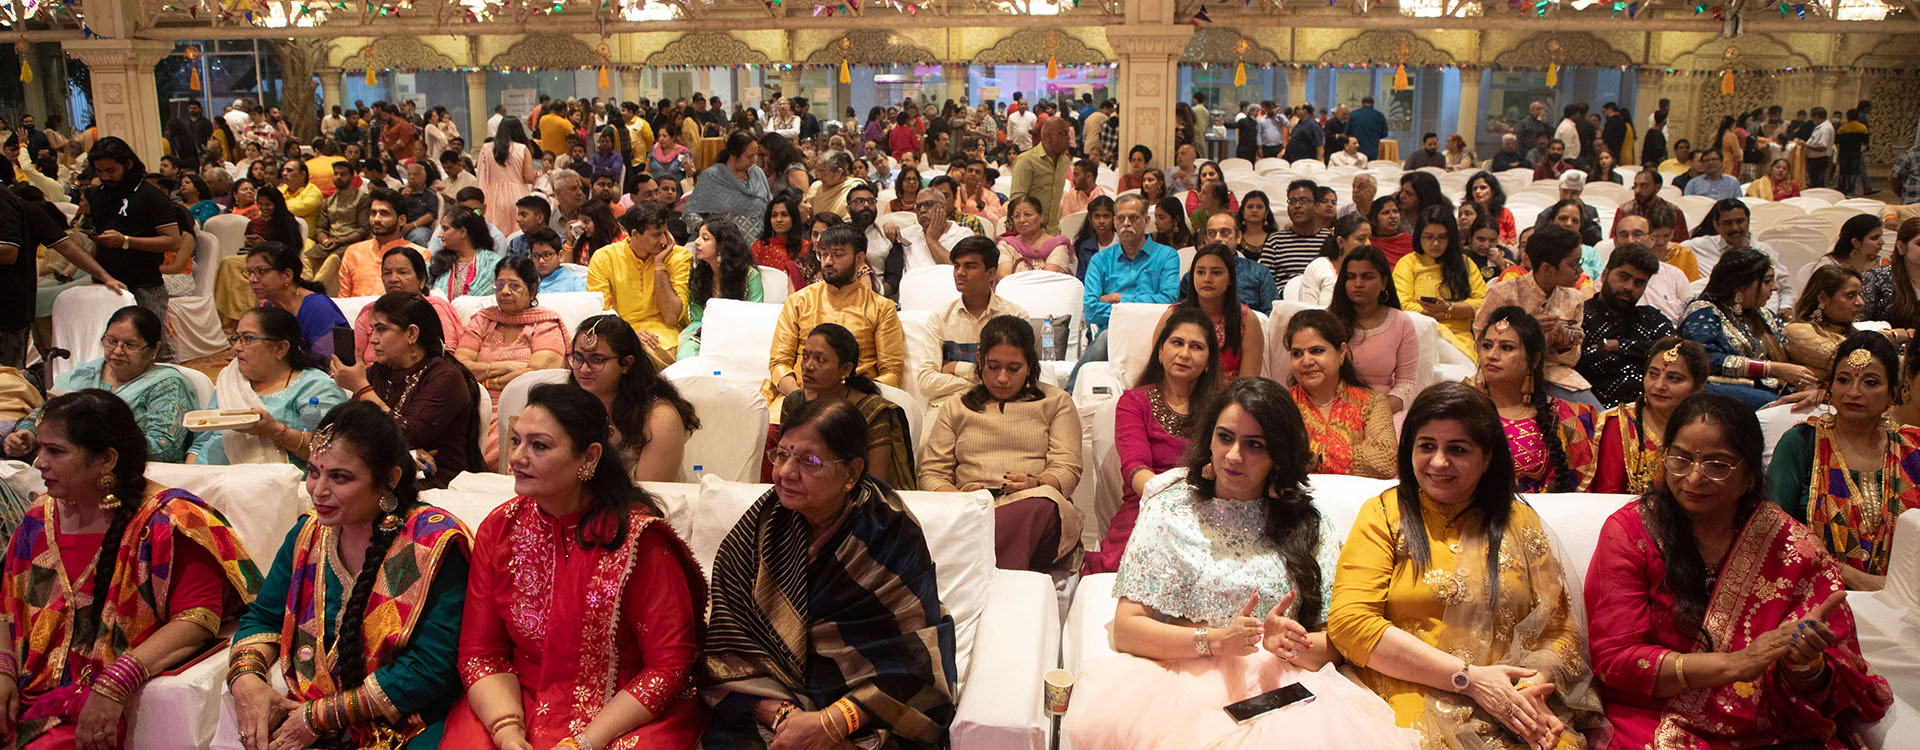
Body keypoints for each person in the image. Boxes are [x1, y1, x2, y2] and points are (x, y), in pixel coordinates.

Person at [1064, 376, 1415, 749]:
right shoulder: (1170, 510)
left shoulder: (1307, 522)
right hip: (1181, 685)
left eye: (1254, 445)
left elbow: (1336, 642)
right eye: (1225, 437)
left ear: (1278, 455)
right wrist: (1216, 641)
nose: (1233, 456)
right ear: (1209, 440)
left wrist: (1288, 645)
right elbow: (1128, 628)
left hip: (1283, 689)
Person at [1587, 393, 1892, 748]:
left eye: (1717, 465)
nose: (1694, 477)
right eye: (1680, 459)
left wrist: (1804, 666)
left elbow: (1833, 686)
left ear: (1749, 476)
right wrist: (1736, 664)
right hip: (1657, 714)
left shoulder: (1792, 547)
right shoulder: (1632, 533)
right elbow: (1615, 660)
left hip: (1769, 725)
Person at [1327, 382, 1606, 749]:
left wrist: (1530, 687)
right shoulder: (1385, 514)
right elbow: (1351, 623)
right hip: (1407, 694)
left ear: (1487, 457)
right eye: (1426, 446)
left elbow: (1560, 630)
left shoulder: (1518, 521)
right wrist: (1469, 680)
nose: (1439, 462)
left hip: (1510, 699)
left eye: (1457, 449)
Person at [446, 384, 708, 749]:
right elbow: (481, 654)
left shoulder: (639, 541)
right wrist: (507, 732)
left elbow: (669, 666)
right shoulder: (500, 529)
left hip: (623, 712)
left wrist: (584, 743)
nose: (517, 457)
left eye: (538, 446)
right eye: (517, 441)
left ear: (589, 456)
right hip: (516, 701)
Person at [1, 389, 261, 749]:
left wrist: (116, 682)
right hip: (26, 690)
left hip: (89, 704)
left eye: (55, 451)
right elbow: (7, 607)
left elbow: (197, 620)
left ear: (106, 459)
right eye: (40, 448)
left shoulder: (171, 521)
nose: (38, 463)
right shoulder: (38, 517)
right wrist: (3, 670)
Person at [703, 396, 956, 749]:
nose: (786, 472)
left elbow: (912, 660)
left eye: (809, 461)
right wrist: (784, 718)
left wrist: (831, 724)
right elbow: (727, 645)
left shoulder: (888, 531)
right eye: (781, 454)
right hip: (771, 705)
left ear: (851, 472)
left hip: (865, 716)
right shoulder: (763, 525)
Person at [226, 400, 469, 750]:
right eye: (313, 472)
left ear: (389, 479)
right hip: (307, 709)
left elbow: (431, 668)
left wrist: (321, 716)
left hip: (412, 720)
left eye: (339, 477)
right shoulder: (308, 535)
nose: (318, 490)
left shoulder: (430, 543)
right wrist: (246, 678)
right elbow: (264, 616)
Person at [919, 316, 1083, 570]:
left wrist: (1035, 483)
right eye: (993, 366)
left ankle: (985, 571)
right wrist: (961, 500)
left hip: (1033, 506)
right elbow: (931, 473)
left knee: (1039, 506)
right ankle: (994, 571)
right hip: (969, 508)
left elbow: (1067, 468)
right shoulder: (956, 406)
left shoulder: (1056, 402)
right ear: (979, 360)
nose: (1002, 378)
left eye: (1014, 368)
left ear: (1030, 365)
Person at [1767, 333, 1920, 589]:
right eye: (1843, 380)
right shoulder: (1802, 443)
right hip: (1818, 593)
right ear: (1830, 388)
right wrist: (1856, 578)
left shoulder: (1912, 448)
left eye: (1870, 382)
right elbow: (1776, 532)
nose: (1853, 392)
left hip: (1907, 596)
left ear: (1893, 392)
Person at [1084, 308, 1222, 575]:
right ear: (1160, 352)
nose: (1184, 353)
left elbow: (1217, 468)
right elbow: (1135, 468)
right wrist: (1170, 501)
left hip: (1206, 507)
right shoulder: (1134, 402)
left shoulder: (1222, 408)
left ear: (1208, 361)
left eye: (1196, 347)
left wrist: (1198, 490)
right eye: (1177, 343)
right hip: (1145, 507)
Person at [3, 306, 196, 463]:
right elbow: (46, 412)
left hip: (133, 473)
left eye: (129, 345)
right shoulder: (87, 374)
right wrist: (27, 434)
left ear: (154, 349)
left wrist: (92, 446)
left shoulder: (165, 384)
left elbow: (164, 447)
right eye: (111, 341)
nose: (117, 351)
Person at [329, 292, 481, 489]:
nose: (372, 339)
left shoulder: (445, 376)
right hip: (388, 472)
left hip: (435, 481)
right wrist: (407, 455)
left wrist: (361, 388)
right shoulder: (378, 372)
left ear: (411, 334)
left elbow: (409, 435)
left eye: (381, 329)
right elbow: (350, 431)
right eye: (372, 330)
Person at [187, 306, 347, 469]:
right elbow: (201, 443)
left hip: (271, 481)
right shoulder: (231, 379)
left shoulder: (315, 387)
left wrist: (275, 431)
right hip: (205, 476)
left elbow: (325, 452)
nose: (236, 347)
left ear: (281, 348)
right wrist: (188, 476)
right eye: (236, 338)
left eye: (248, 339)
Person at [762, 223, 905, 403]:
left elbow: (892, 372)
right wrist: (799, 396)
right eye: (823, 254)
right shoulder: (798, 301)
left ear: (859, 259)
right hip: (799, 398)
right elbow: (779, 363)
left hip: (855, 404)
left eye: (837, 255)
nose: (828, 261)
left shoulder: (881, 308)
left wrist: (857, 397)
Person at [455, 255, 566, 464]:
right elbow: (460, 367)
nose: (505, 291)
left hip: (524, 407)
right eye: (500, 285)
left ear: (532, 289)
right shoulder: (482, 319)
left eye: (514, 285)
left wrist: (486, 378)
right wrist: (507, 366)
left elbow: (538, 374)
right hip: (475, 402)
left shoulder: (545, 324)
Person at [1474, 307, 1598, 492]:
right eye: (1486, 346)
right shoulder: (1461, 411)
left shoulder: (1567, 418)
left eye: (1506, 347)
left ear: (1533, 360)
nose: (1491, 355)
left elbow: (1573, 496)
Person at [1475, 225, 1596, 406]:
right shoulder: (1503, 294)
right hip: (1504, 375)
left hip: (1553, 375)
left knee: (1590, 414)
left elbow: (1571, 360)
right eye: (1573, 265)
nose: (1580, 271)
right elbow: (1481, 340)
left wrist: (1564, 347)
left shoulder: (1573, 299)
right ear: (1547, 269)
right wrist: (1524, 329)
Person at [569, 315, 699, 483]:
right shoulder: (571, 407)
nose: (584, 369)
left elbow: (653, 493)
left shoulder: (659, 418)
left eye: (597, 360)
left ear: (626, 364)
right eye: (578, 358)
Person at [1680, 248, 1814, 409]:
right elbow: (1703, 359)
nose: (1775, 287)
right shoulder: (1703, 312)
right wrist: (1772, 369)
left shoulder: (1765, 315)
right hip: (1723, 395)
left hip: (1773, 391)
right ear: (1739, 286)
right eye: (1767, 281)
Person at [1071, 195, 1180, 391]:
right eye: (1121, 218)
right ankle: (1070, 396)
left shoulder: (1166, 256)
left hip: (1152, 332)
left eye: (1133, 218)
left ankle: (1069, 392)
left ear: (1146, 221)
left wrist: (1120, 299)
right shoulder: (1100, 260)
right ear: (1115, 222)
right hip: (1112, 336)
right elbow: (1091, 309)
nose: (1126, 223)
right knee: (1107, 337)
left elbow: (1168, 301)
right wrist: (1137, 309)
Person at [87, 137, 183, 360]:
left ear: (128, 164)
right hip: (108, 283)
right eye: (99, 171)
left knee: (155, 348)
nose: (105, 176)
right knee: (113, 349)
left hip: (144, 282)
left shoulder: (150, 196)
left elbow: (173, 241)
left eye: (111, 170)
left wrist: (126, 240)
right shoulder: (98, 194)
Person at [917, 237, 1028, 409]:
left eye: (970, 266)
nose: (960, 273)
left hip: (999, 406)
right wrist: (984, 381)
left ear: (991, 274)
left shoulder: (1016, 317)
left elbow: (1019, 379)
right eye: (956, 266)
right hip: (949, 405)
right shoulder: (939, 319)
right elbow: (926, 382)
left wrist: (955, 368)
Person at [1285, 310, 1396, 477]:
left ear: (1341, 352)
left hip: (1356, 494)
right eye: (1297, 354)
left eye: (1317, 351)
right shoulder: (1281, 404)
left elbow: (1386, 463)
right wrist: (1357, 455)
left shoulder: (1371, 402)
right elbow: (1274, 460)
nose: (1306, 361)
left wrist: (1314, 455)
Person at [1592, 337, 1708, 494]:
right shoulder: (1622, 425)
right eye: (1653, 374)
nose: (1659, 385)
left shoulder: (1708, 429)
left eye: (1674, 379)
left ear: (1699, 387)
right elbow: (1607, 495)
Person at [587, 202, 691, 367]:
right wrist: (630, 334)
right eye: (656, 235)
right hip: (620, 332)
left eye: (665, 232)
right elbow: (600, 313)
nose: (664, 241)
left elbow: (672, 317)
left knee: (640, 355)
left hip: (664, 336)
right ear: (635, 234)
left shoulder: (678, 256)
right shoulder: (604, 257)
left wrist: (659, 265)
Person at [1577, 243, 1675, 407]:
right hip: (1591, 411)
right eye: (1623, 277)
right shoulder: (1579, 317)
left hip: (1650, 408)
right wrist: (1644, 352)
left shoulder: (1650, 318)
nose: (1630, 287)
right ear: (1605, 275)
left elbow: (1676, 350)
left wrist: (1619, 346)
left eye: (1639, 283)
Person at [1157, 243, 1263, 380]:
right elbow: (1157, 371)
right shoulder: (1172, 315)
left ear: (1230, 278)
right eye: (1200, 272)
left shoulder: (1246, 320)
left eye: (1216, 272)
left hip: (1231, 393)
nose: (1207, 279)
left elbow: (1248, 384)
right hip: (1178, 391)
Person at [1395, 207, 1486, 360]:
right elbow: (1401, 304)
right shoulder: (1408, 263)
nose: (1436, 243)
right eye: (1429, 237)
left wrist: (1448, 308)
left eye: (1442, 237)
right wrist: (1436, 314)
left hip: (1459, 338)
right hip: (1420, 335)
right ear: (1419, 236)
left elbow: (1483, 303)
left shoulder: (1465, 263)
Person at [349, 247, 462, 364]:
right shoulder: (370, 311)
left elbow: (447, 354)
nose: (393, 279)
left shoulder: (434, 308)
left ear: (421, 280)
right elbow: (356, 359)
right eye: (387, 273)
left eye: (402, 272)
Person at [246, 241, 348, 360]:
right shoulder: (265, 308)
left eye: (261, 271)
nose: (252, 279)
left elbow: (328, 362)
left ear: (287, 275)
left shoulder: (318, 307)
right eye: (250, 272)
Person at [679, 219, 764, 359]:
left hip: (741, 333)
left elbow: (754, 315)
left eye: (705, 238)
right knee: (686, 354)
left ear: (722, 246)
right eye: (698, 236)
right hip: (706, 331)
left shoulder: (749, 276)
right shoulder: (699, 276)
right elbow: (697, 319)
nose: (697, 242)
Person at [1683, 199, 1789, 309]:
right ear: (1716, 224)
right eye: (1727, 223)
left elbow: (1784, 288)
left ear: (1748, 221)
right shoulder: (1698, 247)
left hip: (1765, 310)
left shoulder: (1765, 251)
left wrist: (1786, 307)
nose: (1735, 228)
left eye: (1740, 221)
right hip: (1715, 311)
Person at [1783, 266, 1878, 380]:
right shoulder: (1796, 331)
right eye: (1851, 295)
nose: (1860, 302)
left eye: (1859, 294)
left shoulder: (1853, 334)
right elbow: (1849, 360)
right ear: (1823, 298)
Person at [335, 188, 425, 298]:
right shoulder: (353, 252)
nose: (376, 219)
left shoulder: (419, 254)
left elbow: (419, 298)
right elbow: (343, 298)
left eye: (384, 213)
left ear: (401, 220)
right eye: (373, 213)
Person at [684, 132, 771, 242]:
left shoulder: (757, 174)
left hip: (760, 245)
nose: (753, 161)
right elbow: (690, 212)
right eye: (749, 156)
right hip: (725, 246)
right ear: (734, 155)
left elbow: (769, 206)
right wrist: (703, 227)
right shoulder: (712, 177)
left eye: (755, 155)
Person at [1260, 180, 1330, 289]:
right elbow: (1264, 282)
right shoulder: (1275, 241)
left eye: (1304, 200)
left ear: (1316, 206)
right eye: (1292, 201)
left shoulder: (1329, 239)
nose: (1297, 205)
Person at [1009, 118, 1072, 233]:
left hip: (1053, 231)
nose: (1068, 138)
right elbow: (1017, 201)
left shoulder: (1064, 162)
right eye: (1063, 133)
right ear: (1047, 136)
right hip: (1029, 232)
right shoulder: (1026, 161)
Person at [1861, 218, 1920, 333]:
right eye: (1919, 244)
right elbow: (1858, 325)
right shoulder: (1875, 278)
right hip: (1886, 343)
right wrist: (1894, 335)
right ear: (1901, 247)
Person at [752, 190, 810, 290]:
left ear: (793, 218)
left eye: (784, 215)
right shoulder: (759, 246)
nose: (778, 220)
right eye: (774, 215)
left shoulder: (804, 247)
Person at [1072, 195, 1117, 282]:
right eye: (1097, 216)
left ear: (1114, 218)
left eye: (1106, 216)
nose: (1101, 221)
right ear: (1090, 219)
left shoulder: (1123, 243)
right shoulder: (1085, 247)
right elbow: (1081, 279)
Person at [1367, 197, 1412, 267]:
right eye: (1386, 213)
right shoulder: (1369, 244)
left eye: (1395, 211)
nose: (1393, 216)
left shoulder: (1411, 241)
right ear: (1374, 218)